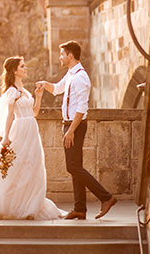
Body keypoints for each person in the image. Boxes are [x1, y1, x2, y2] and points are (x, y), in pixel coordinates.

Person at [0, 56, 64, 220]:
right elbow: (10, 116)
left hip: (31, 130)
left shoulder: (25, 91)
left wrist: (38, 96)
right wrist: (6, 138)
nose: (25, 68)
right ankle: (10, 204)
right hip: (20, 130)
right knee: (15, 168)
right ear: (15, 70)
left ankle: (29, 204)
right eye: (22, 66)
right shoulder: (12, 91)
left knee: (33, 165)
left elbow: (34, 113)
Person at [36, 41, 117, 220]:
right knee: (75, 167)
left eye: (62, 54)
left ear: (70, 56)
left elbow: (82, 108)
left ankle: (106, 197)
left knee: (72, 167)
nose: (60, 57)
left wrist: (71, 130)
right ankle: (80, 209)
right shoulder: (71, 74)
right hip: (70, 124)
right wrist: (44, 84)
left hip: (75, 125)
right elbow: (57, 89)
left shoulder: (80, 77)